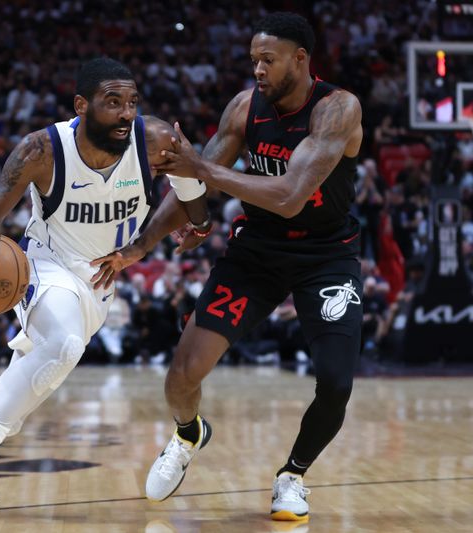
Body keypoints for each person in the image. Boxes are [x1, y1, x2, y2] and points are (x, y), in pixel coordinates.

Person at [0, 58, 211, 517]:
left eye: (132, 102)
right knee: (65, 342)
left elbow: (190, 184)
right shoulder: (42, 149)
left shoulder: (153, 140)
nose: (126, 113)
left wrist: (182, 229)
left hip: (99, 286)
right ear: (82, 105)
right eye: (112, 102)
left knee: (8, 408)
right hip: (44, 267)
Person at [93, 12, 363, 522]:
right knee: (182, 374)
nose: (257, 69)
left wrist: (202, 168)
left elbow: (288, 195)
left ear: (300, 60)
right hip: (256, 252)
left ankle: (293, 475)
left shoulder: (337, 110)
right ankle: (188, 432)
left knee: (336, 382)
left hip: (325, 256)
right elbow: (198, 184)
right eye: (253, 60)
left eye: (268, 60)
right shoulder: (245, 108)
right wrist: (140, 245)